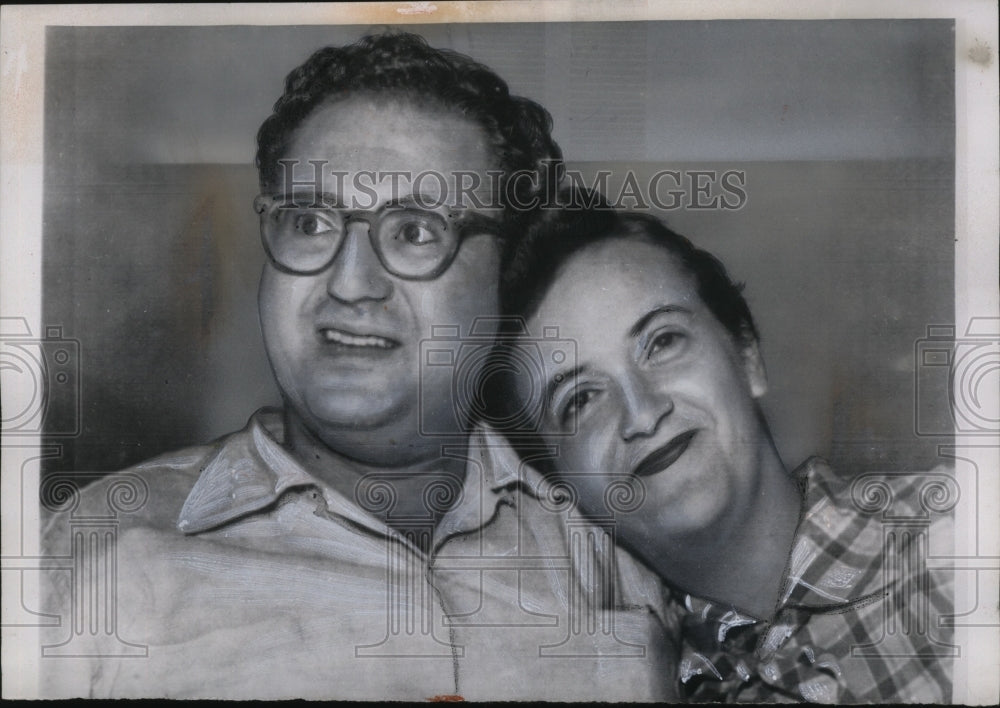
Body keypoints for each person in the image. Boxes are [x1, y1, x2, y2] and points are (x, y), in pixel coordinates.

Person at [39, 35, 675, 700]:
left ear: (505, 283)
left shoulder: (610, 550)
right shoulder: (105, 549)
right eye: (310, 222)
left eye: (415, 231)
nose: (350, 283)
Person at [499, 199, 956, 703]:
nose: (642, 413)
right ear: (563, 488)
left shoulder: (964, 537)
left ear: (747, 354)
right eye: (580, 399)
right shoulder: (636, 688)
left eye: (662, 342)